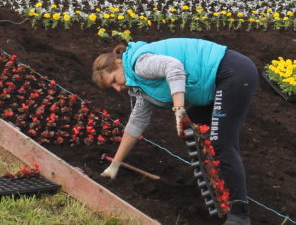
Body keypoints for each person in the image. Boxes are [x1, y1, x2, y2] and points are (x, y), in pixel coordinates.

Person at [93, 38, 258, 225]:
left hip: (231, 73)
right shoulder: (139, 83)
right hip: (218, 81)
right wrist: (115, 164)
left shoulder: (140, 65)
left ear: (118, 63)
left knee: (222, 142)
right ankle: (216, 184)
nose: (117, 88)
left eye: (114, 80)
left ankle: (239, 214)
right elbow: (136, 122)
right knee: (193, 123)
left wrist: (179, 110)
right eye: (112, 87)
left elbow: (174, 67)